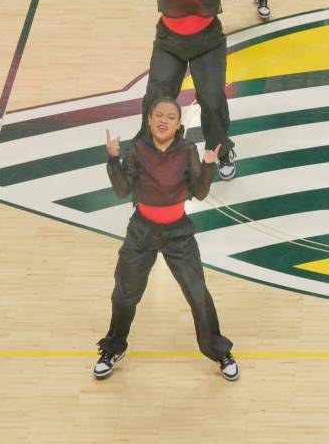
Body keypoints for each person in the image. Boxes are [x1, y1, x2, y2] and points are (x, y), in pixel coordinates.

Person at [94, 97, 239, 382]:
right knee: (124, 295)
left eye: (170, 117)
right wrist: (113, 159)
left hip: (178, 235)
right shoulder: (137, 149)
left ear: (178, 124)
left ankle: (220, 352)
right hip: (141, 232)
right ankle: (112, 349)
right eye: (158, 115)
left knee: (198, 295)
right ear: (149, 120)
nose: (163, 120)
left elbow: (198, 192)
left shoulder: (187, 150)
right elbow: (123, 190)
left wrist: (209, 166)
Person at [132, 0, 245, 180]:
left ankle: (220, 149)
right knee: (156, 95)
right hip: (169, 44)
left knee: (212, 97)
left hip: (208, 44)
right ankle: (150, 148)